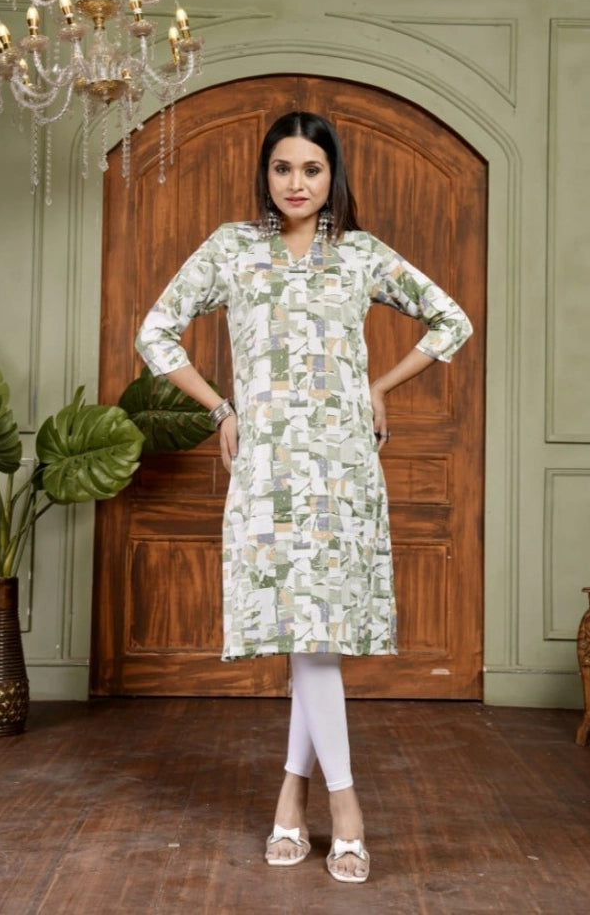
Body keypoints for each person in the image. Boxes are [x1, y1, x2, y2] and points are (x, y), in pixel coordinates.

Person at [136, 111, 473, 884]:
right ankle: (339, 808)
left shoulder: (359, 255)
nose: (296, 183)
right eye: (283, 168)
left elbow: (450, 320)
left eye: (311, 169)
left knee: (314, 636)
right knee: (305, 633)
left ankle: (302, 800)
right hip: (267, 471)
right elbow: (156, 332)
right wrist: (220, 407)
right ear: (266, 174)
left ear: (332, 176)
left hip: (343, 470)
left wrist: (377, 387)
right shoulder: (232, 249)